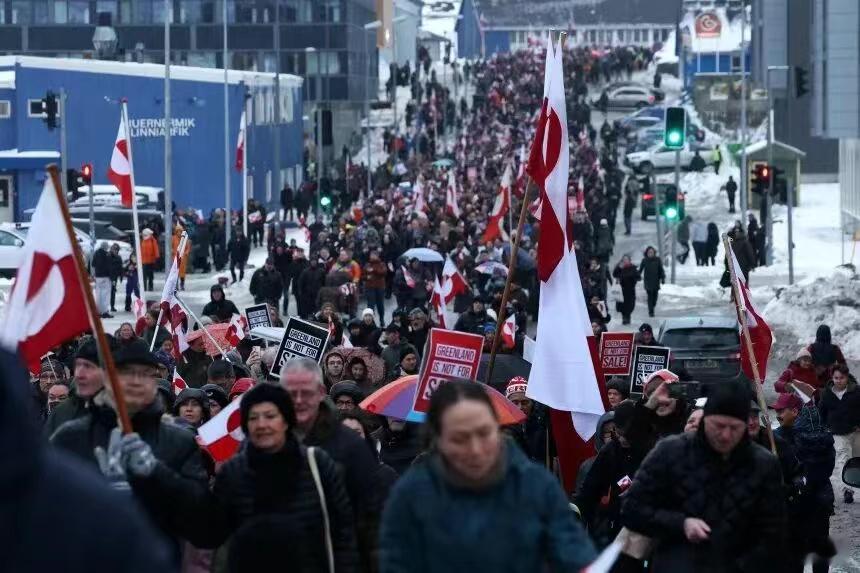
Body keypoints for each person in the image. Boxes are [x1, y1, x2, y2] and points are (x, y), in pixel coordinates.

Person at [379, 380, 596, 572]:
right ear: (438, 440)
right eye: (460, 438)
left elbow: (575, 556)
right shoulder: (410, 495)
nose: (475, 449)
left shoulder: (537, 486)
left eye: (483, 433)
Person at [0, 346, 175, 572]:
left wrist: (154, 479)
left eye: (144, 375)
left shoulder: (92, 505)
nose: (134, 383)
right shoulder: (67, 434)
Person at [50, 340, 210, 555]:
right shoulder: (70, 438)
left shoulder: (179, 441)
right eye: (126, 373)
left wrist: (158, 474)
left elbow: (205, 527)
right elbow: (47, 513)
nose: (136, 381)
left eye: (146, 374)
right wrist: (99, 494)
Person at [621, 381, 786, 572]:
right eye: (719, 426)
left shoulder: (764, 464)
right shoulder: (671, 452)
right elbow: (632, 509)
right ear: (705, 419)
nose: (726, 435)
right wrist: (680, 523)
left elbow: (774, 534)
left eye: (734, 428)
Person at [198, 383, 358, 571]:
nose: (262, 424)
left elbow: (343, 531)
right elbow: (216, 537)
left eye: (270, 416)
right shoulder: (232, 472)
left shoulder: (317, 464)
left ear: (286, 420)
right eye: (253, 417)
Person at [280, 357, 381, 568]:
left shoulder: (351, 446)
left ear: (320, 392)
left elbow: (370, 517)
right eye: (291, 394)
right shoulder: (267, 444)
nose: (298, 400)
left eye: (306, 393)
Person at [773, 393, 836, 572]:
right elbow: (829, 467)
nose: (778, 415)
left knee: (795, 553)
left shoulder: (779, 437)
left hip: (796, 502)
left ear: (795, 411)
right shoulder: (822, 434)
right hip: (821, 499)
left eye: (781, 410)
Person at [575, 401, 647, 550]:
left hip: (644, 530)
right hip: (613, 530)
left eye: (626, 435)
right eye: (617, 434)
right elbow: (588, 491)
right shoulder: (611, 450)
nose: (622, 439)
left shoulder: (654, 450)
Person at [45, 338, 107, 437]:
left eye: (88, 366)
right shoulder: (61, 412)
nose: (79, 374)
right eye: (78, 365)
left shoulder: (125, 409)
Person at [818, 365, 860, 504]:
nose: (838, 380)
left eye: (841, 378)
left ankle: (855, 482)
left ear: (847, 377)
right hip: (838, 433)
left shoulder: (856, 392)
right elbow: (821, 412)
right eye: (836, 378)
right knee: (843, 458)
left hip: (856, 431)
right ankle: (847, 490)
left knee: (856, 459)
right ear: (832, 378)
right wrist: (824, 427)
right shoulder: (827, 394)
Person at [503, 376, 549, 463]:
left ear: (532, 403)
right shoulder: (500, 429)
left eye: (524, 402)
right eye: (515, 403)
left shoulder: (544, 425)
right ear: (507, 403)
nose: (520, 407)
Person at [613, 254, 639, 325]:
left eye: (626, 259)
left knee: (630, 305)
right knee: (622, 305)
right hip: (621, 290)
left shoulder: (633, 267)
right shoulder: (620, 267)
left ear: (629, 260)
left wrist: (634, 278)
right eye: (624, 259)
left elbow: (638, 276)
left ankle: (627, 317)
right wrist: (618, 268)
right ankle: (624, 318)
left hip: (630, 290)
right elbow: (614, 274)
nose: (625, 261)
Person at [638, 246, 664, 317]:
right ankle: (651, 311)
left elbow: (661, 270)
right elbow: (640, 270)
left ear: (654, 253)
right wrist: (637, 276)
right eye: (649, 252)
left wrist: (663, 278)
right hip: (648, 281)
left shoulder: (658, 260)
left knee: (655, 297)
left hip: (656, 281)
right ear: (647, 253)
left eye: (652, 252)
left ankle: (652, 306)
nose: (650, 253)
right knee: (650, 296)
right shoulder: (644, 260)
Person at [363, 250, 388, 324]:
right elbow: (363, 275)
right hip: (369, 287)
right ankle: (370, 320)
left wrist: (374, 270)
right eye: (371, 255)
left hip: (380, 287)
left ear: (377, 256)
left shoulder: (382, 264)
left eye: (374, 255)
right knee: (370, 305)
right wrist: (367, 277)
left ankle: (381, 319)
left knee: (380, 304)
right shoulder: (367, 264)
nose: (372, 257)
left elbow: (383, 272)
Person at [92, 242, 113, 318]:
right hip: (105, 277)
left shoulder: (96, 253)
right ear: (106, 247)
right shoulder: (107, 254)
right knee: (105, 295)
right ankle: (104, 311)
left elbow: (93, 264)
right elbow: (109, 266)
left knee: (98, 295)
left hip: (98, 277)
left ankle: (98, 311)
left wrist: (94, 274)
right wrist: (111, 277)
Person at [140, 228, 160, 292]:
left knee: (150, 275)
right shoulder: (143, 240)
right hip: (144, 261)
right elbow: (140, 250)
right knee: (144, 275)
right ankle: (144, 287)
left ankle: (150, 287)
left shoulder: (152, 240)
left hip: (151, 261)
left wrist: (157, 257)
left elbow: (156, 249)